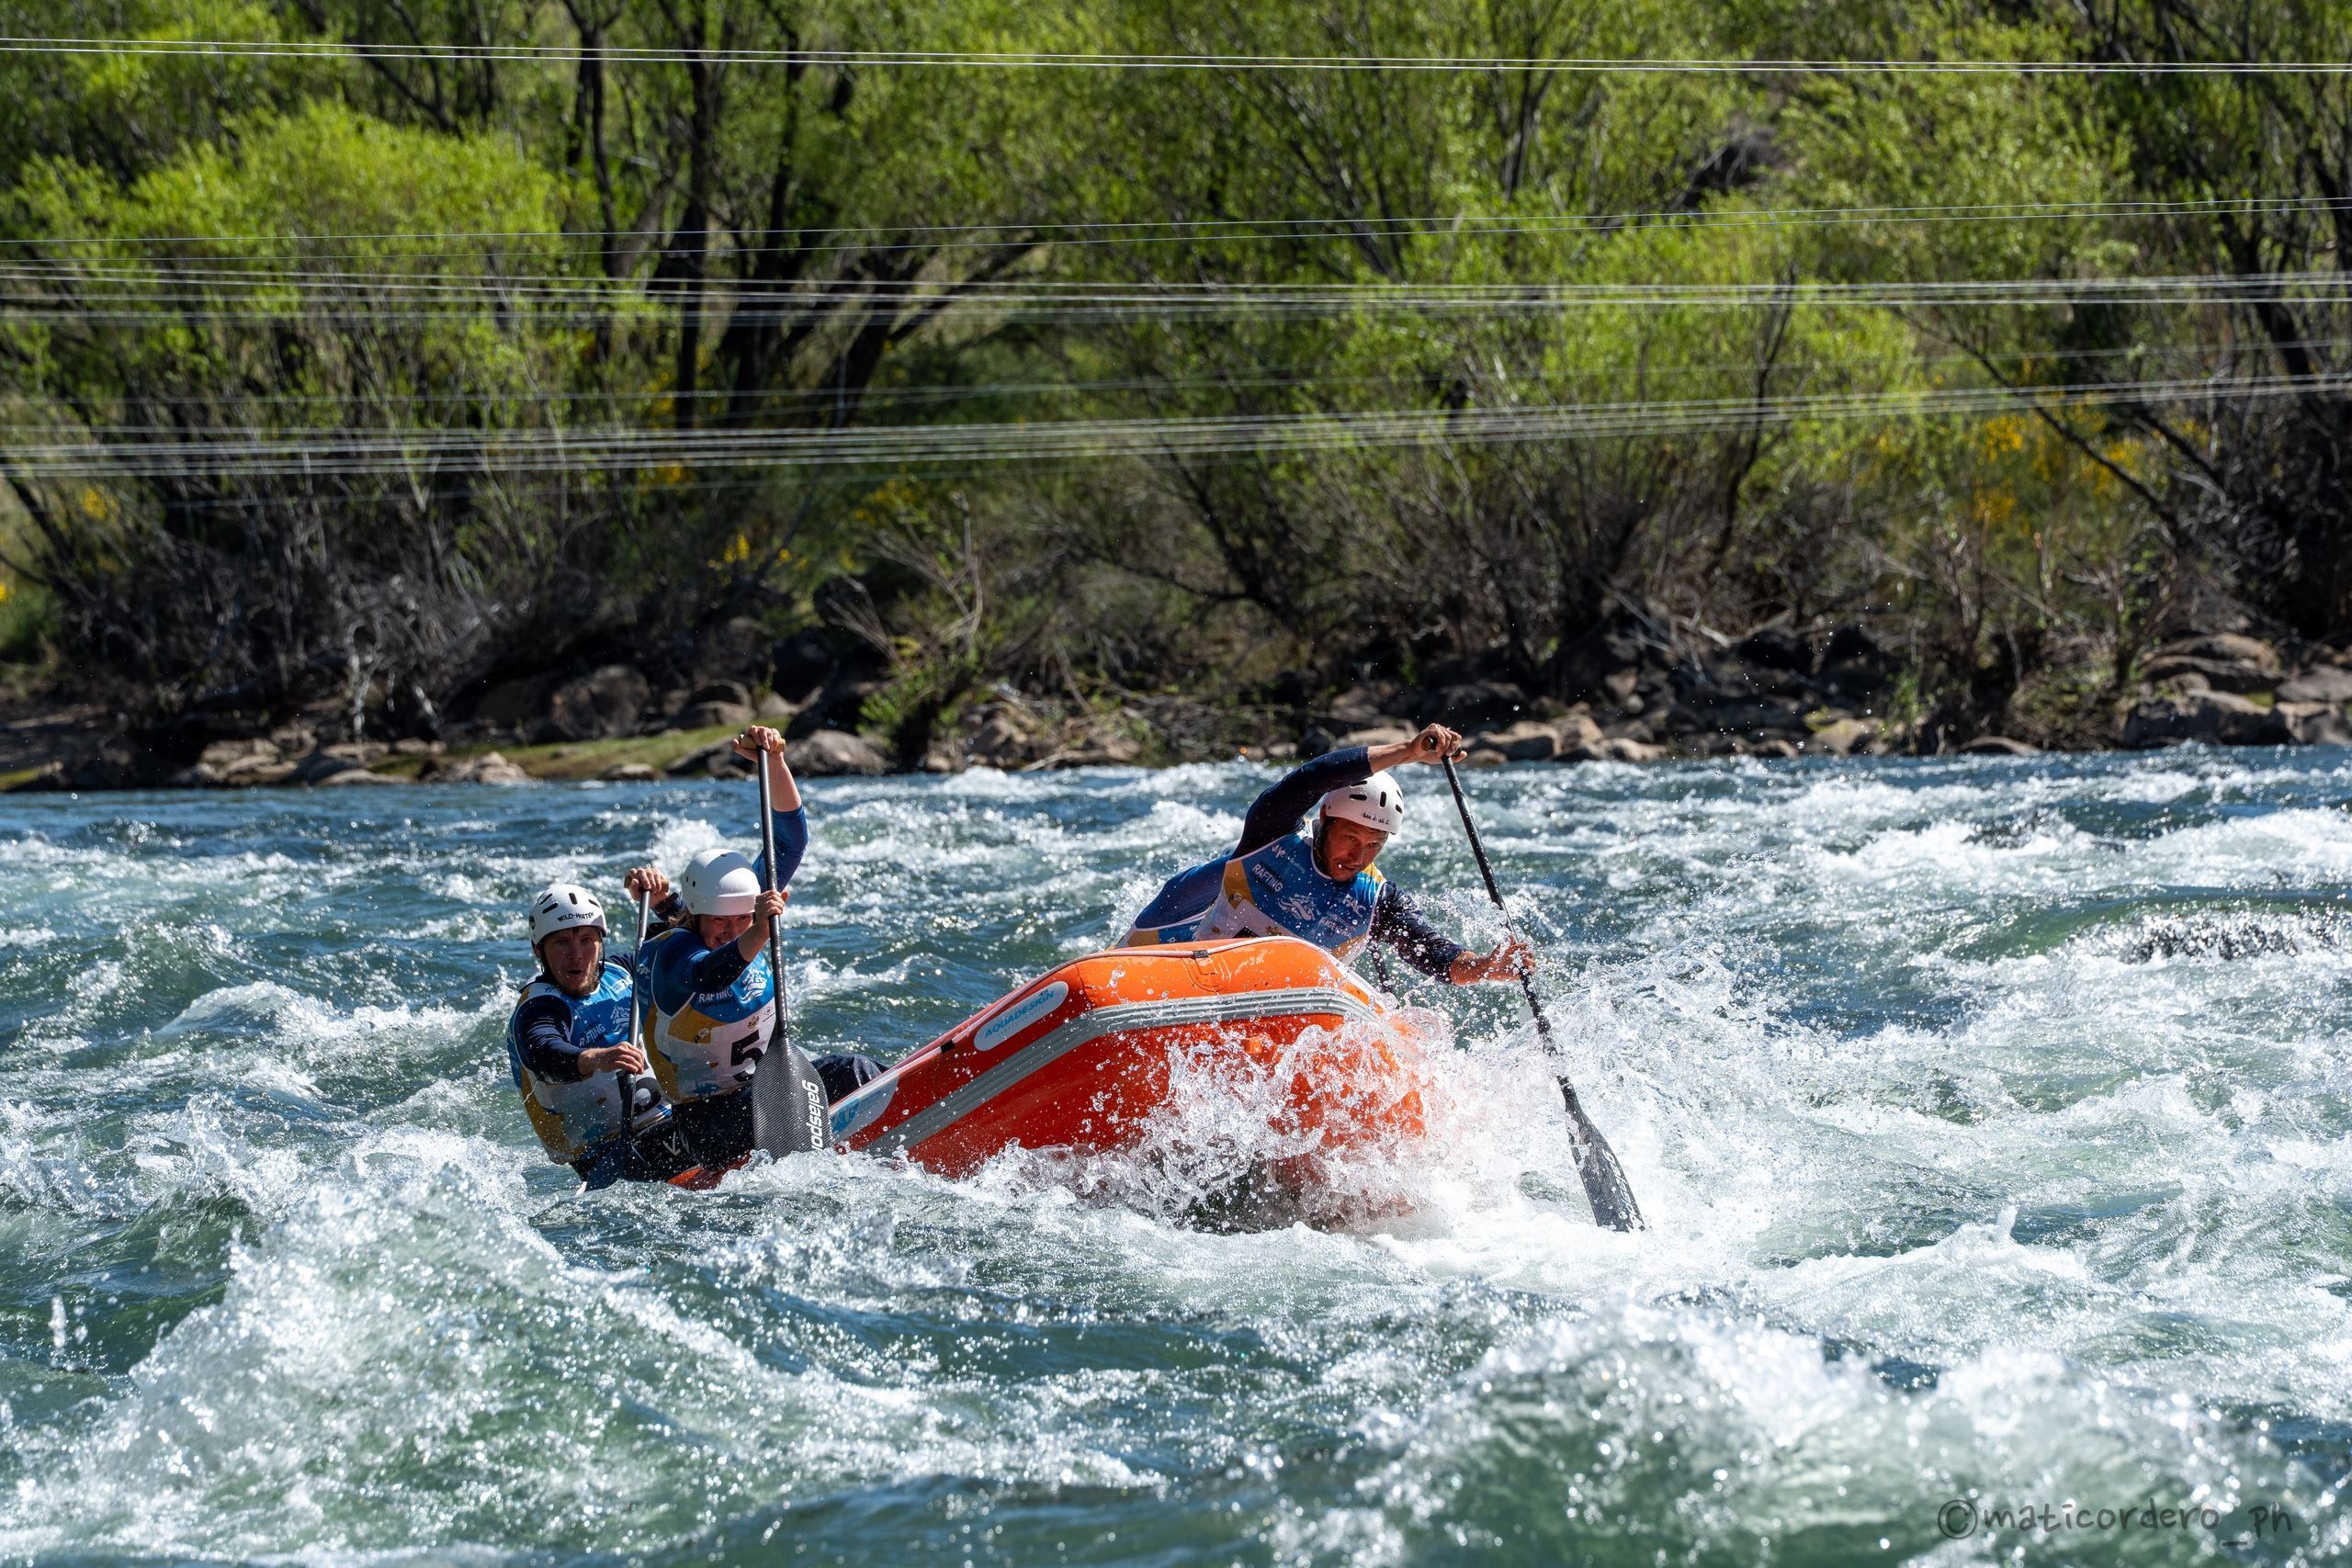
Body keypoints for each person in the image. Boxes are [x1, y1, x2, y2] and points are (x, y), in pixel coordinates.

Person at [631, 727, 882, 1164]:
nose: (731, 931)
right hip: (708, 1125)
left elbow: (790, 841)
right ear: (695, 915)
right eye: (720, 923)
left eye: (741, 919)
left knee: (857, 1071)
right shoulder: (671, 953)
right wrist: (759, 930)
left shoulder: (742, 911)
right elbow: (709, 974)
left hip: (768, 1087)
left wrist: (777, 762)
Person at [1122, 722, 1533, 986]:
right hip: (1198, 979)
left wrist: (1483, 968)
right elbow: (1313, 777)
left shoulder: (1378, 899)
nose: (1359, 855)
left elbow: (1433, 953)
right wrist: (1408, 751)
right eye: (1351, 838)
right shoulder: (1271, 837)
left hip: (1286, 1012)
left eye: (1375, 844)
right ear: (1325, 820)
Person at [505, 876, 699, 1188]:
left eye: (587, 939)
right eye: (562, 943)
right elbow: (544, 1053)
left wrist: (664, 902)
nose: (577, 954)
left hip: (668, 1124)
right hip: (608, 1157)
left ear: (601, 941)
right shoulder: (537, 1009)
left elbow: (697, 940)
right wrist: (597, 1058)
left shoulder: (624, 971)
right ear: (538, 951)